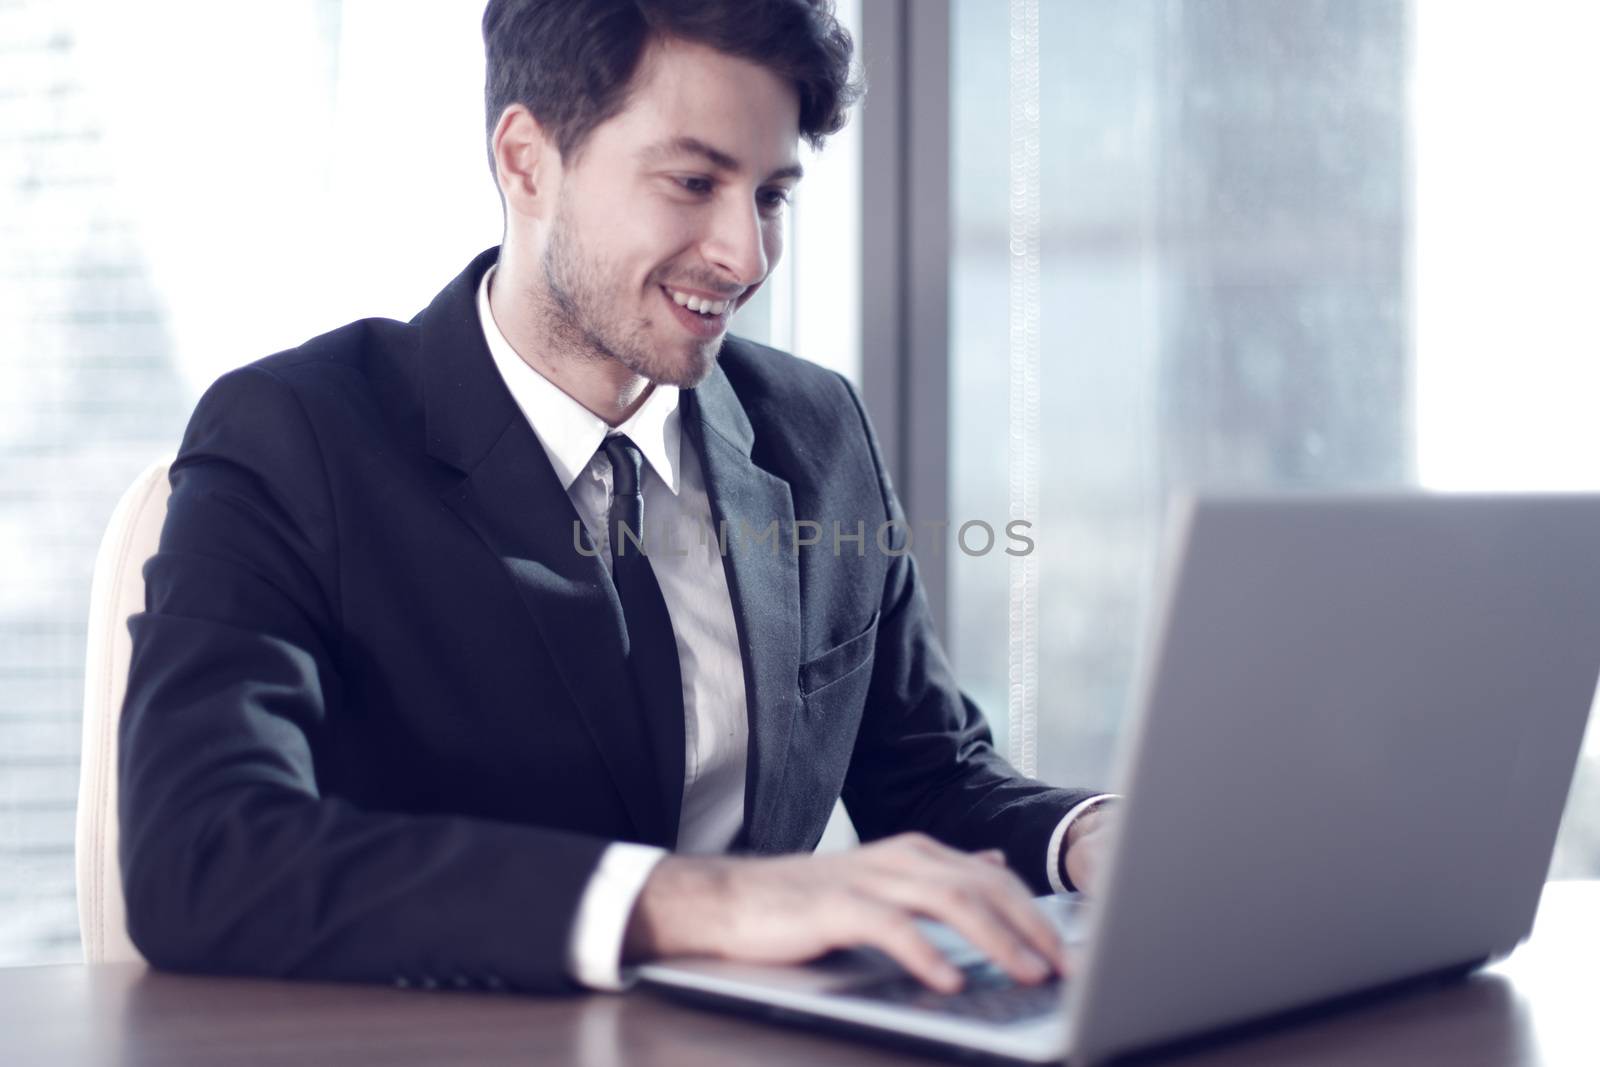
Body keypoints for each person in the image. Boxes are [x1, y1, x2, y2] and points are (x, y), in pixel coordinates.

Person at [118, 0, 1115, 998]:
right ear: (526, 160)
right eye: (692, 182)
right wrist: (695, 903)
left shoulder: (813, 428)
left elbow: (927, 777)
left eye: (770, 194)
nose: (746, 255)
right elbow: (202, 850)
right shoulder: (296, 435)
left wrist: (1089, 838)